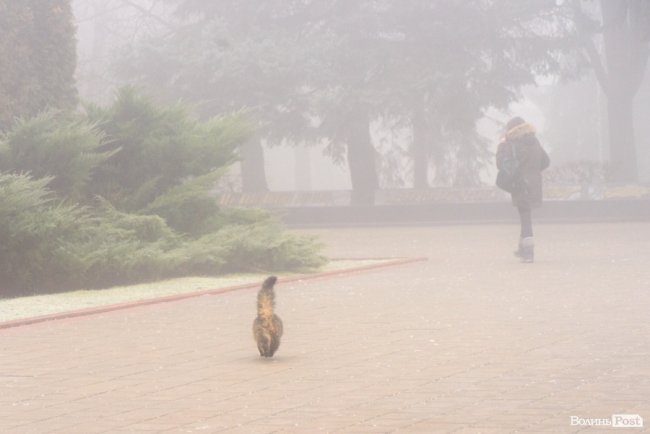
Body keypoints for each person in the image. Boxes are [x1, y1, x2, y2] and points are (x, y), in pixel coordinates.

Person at [496, 117, 550, 263]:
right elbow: (546, 161)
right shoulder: (534, 141)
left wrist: (502, 145)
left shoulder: (512, 143)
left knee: (525, 218)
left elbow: (501, 164)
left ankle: (528, 252)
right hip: (534, 183)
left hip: (520, 184)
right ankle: (522, 248)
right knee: (525, 214)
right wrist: (533, 171)